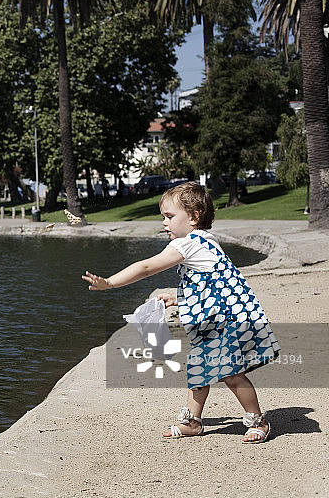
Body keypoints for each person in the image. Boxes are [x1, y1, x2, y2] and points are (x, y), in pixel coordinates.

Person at [82, 181, 280, 443]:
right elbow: (212, 285)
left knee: (231, 373)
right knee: (199, 368)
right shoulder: (206, 243)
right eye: (163, 216)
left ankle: (258, 420)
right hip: (222, 321)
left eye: (170, 216)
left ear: (194, 217)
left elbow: (146, 267)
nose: (164, 223)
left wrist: (110, 283)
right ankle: (193, 421)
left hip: (225, 324)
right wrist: (180, 296)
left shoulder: (189, 244)